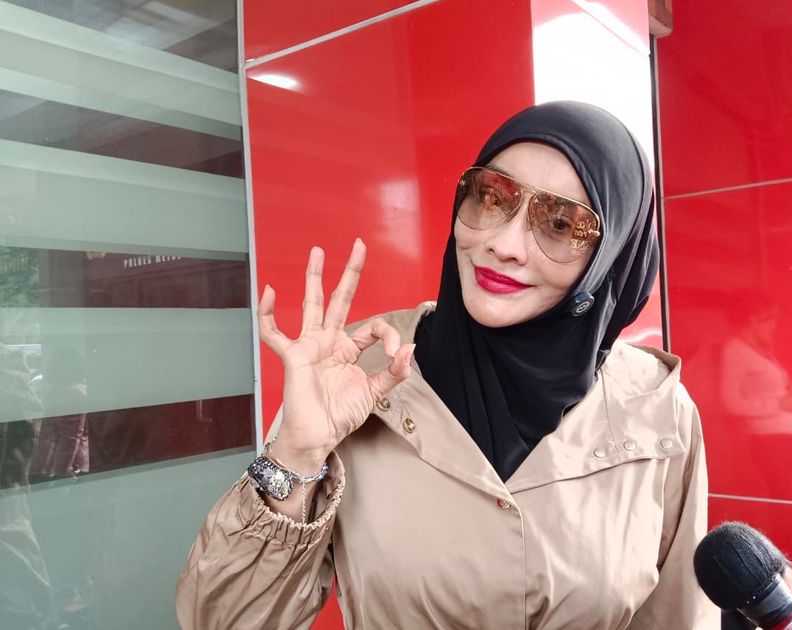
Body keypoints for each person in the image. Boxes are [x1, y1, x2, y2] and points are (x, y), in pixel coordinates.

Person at [176, 101, 716, 629]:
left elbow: (679, 618)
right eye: (493, 196)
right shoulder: (358, 376)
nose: (503, 243)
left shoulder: (655, 408)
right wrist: (295, 456)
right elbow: (217, 623)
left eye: (560, 224)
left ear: (611, 258)